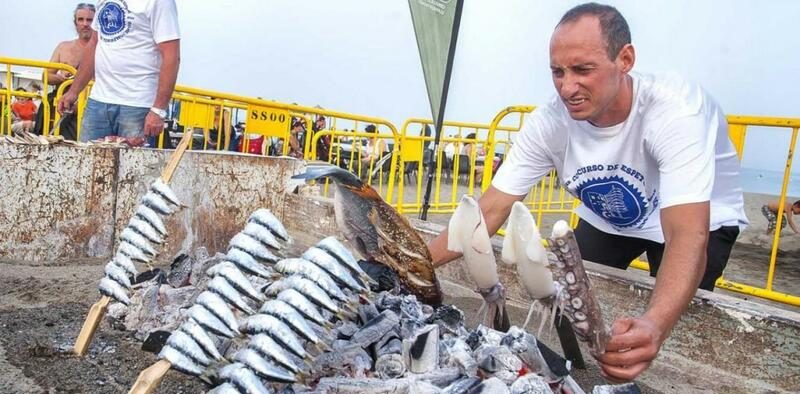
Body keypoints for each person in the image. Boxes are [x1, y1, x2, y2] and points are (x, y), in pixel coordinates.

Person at [428, 3, 748, 382]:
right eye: (557, 72)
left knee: (668, 326)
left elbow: (686, 233)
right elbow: (490, 209)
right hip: (610, 219)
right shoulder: (549, 122)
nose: (567, 87)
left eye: (583, 70)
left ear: (624, 59)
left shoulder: (674, 111)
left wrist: (655, 324)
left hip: (696, 222)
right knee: (569, 308)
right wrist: (412, 264)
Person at [58, 0, 181, 143]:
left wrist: (158, 109)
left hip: (138, 104)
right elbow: (94, 44)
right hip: (98, 101)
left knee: (133, 164)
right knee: (88, 162)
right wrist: (73, 92)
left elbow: (172, 56)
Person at [34, 2, 96, 140]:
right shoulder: (64, 47)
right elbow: (46, 76)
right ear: (75, 23)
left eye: (90, 20)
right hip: (61, 102)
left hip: (91, 105)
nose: (85, 24)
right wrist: (62, 78)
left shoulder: (104, 50)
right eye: (81, 19)